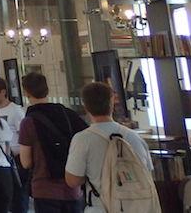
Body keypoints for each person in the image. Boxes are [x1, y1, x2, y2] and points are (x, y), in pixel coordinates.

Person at [64, 82, 154, 213]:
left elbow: (72, 180)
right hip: (137, 207)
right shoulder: (134, 137)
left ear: (85, 106)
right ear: (112, 103)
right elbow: (146, 172)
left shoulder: (83, 139)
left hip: (101, 207)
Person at [18, 72, 87, 213]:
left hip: (44, 188)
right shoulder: (68, 114)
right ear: (47, 90)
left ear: (26, 92)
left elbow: (26, 162)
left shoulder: (28, 122)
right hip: (72, 185)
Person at [0, 76, 28, 213]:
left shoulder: (16, 111)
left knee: (18, 199)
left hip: (16, 159)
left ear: (3, 92)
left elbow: (25, 136)